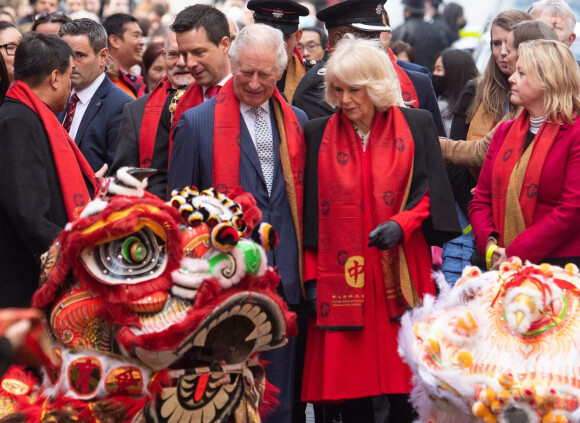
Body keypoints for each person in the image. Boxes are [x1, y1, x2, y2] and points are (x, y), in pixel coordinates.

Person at [301, 35, 459, 423]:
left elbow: (431, 193)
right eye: (336, 90)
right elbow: (309, 215)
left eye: (354, 90)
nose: (344, 99)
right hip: (343, 278)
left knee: (407, 387)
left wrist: (400, 225)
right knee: (352, 396)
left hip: (402, 266)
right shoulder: (317, 133)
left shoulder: (416, 123)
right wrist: (311, 279)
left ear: (375, 86)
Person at [168, 23, 308, 423]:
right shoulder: (196, 122)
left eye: (265, 74)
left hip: (285, 280)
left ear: (280, 72)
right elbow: (178, 212)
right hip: (224, 284)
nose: (254, 82)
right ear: (232, 62)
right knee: (226, 399)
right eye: (246, 71)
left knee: (280, 402)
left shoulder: (296, 120)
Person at [0, 32, 95, 308]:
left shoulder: (27, 114)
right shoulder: (18, 121)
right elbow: (27, 211)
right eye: (69, 76)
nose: (70, 85)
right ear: (55, 78)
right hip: (23, 280)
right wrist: (73, 254)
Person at [470, 39, 580, 271]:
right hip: (498, 263)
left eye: (521, 73)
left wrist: (514, 252)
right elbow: (481, 199)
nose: (511, 78)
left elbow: (572, 209)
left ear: (548, 80)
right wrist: (490, 246)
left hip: (559, 269)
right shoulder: (503, 132)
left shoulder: (575, 133)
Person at [292, 0, 446, 138]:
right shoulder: (318, 84)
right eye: (368, 37)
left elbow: (434, 145)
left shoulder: (414, 79)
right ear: (340, 39)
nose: (378, 43)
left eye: (377, 35)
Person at [109, 28, 195, 199]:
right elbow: (122, 181)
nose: (181, 62)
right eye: (173, 55)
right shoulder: (135, 111)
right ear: (163, 55)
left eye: (189, 54)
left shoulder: (218, 104)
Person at [57, 18, 132, 172]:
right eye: (66, 56)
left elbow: (119, 174)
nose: (71, 64)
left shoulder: (122, 107)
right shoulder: (56, 98)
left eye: (80, 55)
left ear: (103, 56)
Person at [247, 0, 309, 103]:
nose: (277, 45)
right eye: (268, 36)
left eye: (284, 37)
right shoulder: (235, 71)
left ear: (297, 37)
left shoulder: (309, 78)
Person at [391, 0, 450, 70]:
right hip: (430, 77)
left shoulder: (399, 31)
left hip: (406, 77)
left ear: (406, 11)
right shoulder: (437, 31)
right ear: (424, 12)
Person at [432, 48, 478, 137]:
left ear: (455, 74)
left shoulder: (473, 110)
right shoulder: (435, 104)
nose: (434, 73)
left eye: (439, 69)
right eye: (434, 69)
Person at [102, 13, 146, 98]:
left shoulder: (135, 80)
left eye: (141, 36)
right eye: (136, 35)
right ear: (114, 40)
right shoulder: (104, 82)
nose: (142, 42)